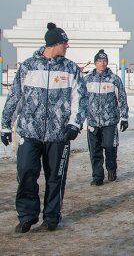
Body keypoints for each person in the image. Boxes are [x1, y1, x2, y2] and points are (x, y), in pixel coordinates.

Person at [1, 23, 87, 233]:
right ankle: (27, 216)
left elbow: (80, 98)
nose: (67, 46)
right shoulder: (29, 67)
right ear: (53, 44)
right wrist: (5, 125)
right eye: (64, 43)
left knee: (55, 177)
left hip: (58, 134)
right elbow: (16, 97)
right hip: (30, 132)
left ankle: (51, 216)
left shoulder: (70, 68)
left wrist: (74, 124)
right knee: (26, 172)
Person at [84, 49, 129, 185]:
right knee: (95, 150)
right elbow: (80, 100)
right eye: (99, 61)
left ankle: (111, 169)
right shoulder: (87, 79)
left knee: (110, 147)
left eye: (104, 61)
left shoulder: (114, 79)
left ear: (107, 63)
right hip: (92, 121)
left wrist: (124, 117)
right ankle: (97, 177)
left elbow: (122, 98)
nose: (102, 64)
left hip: (109, 121)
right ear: (95, 63)